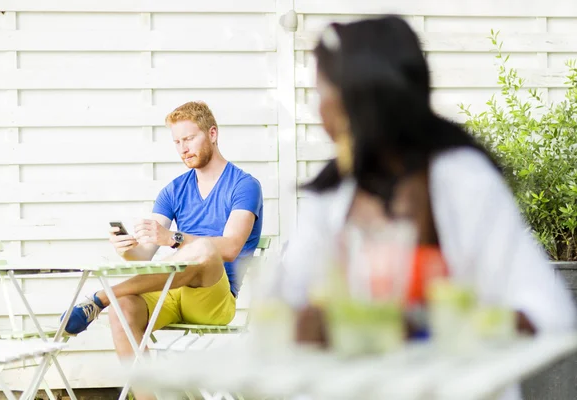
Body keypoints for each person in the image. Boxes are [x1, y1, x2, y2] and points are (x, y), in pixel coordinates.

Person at [281, 16, 576, 400]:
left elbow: (550, 312)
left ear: (362, 96)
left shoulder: (463, 180)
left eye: (323, 91)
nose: (317, 109)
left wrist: (440, 326)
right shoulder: (332, 192)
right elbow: (288, 303)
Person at [61, 101, 263, 355]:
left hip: (212, 298)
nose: (183, 149)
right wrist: (128, 249)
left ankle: (102, 296)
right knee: (122, 308)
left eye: (189, 138)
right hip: (172, 291)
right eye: (177, 142)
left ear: (212, 134)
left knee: (204, 248)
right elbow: (144, 255)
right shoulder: (173, 190)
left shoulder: (244, 185)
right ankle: (146, 393)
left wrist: (173, 238)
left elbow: (231, 247)